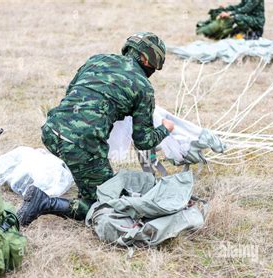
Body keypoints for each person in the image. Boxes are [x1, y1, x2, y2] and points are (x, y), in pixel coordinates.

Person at [18, 32, 175, 226]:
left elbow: (71, 93)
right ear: (146, 58)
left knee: (88, 171)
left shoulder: (97, 59)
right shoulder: (143, 87)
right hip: (80, 145)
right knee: (105, 204)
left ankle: (85, 176)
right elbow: (144, 141)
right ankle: (44, 202)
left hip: (50, 130)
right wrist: (166, 128)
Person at [196, 0, 265, 40]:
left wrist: (230, 13)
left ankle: (251, 34)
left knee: (237, 17)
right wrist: (226, 9)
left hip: (257, 21)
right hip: (249, 19)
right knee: (233, 32)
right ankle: (243, 33)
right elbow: (240, 6)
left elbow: (246, 9)